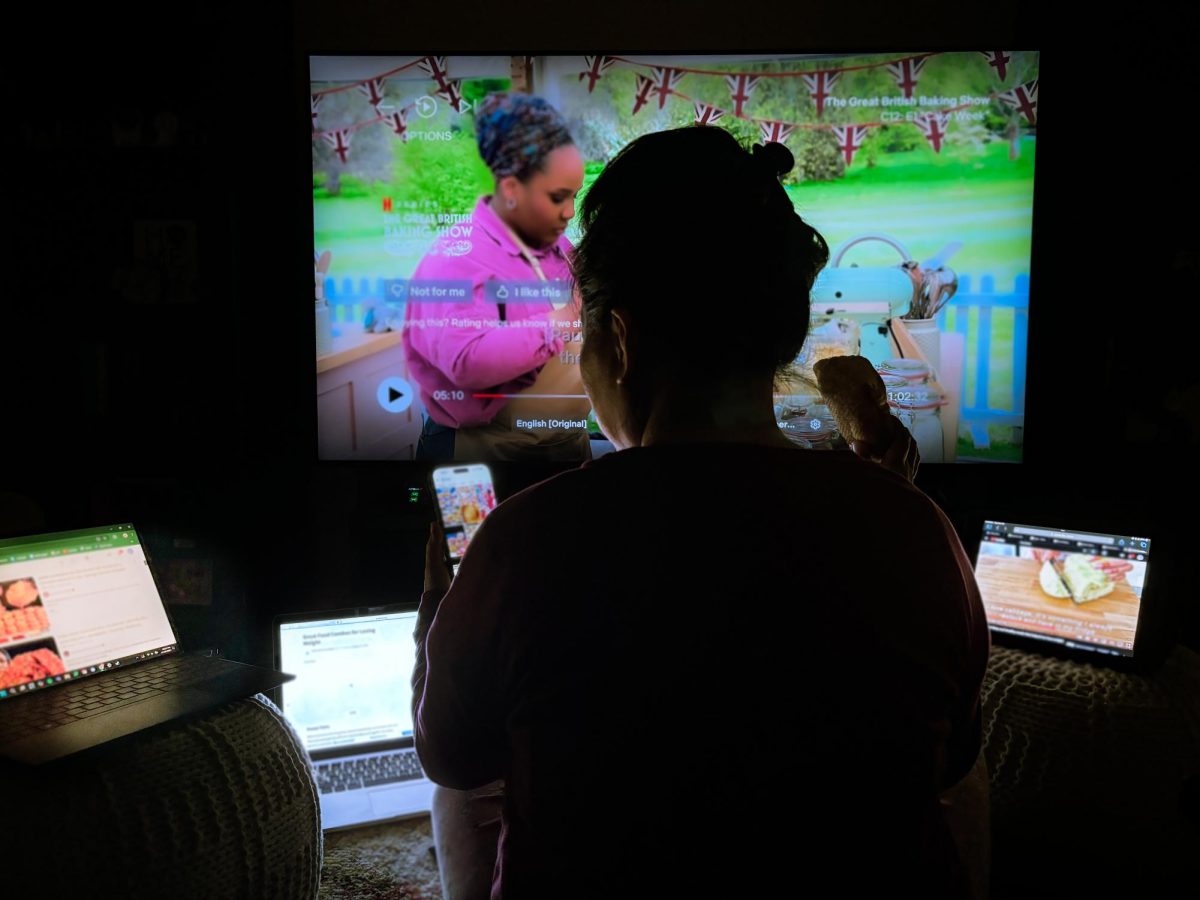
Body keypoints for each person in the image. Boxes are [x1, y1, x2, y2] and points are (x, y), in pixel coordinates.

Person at [411, 125, 990, 898]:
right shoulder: (914, 528)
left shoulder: (524, 543)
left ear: (617, 340)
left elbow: (453, 758)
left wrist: (436, 614)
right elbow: (949, 759)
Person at [403, 92, 590, 462]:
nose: (569, 210)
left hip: (562, 448)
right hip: (481, 454)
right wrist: (566, 317)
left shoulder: (559, 247)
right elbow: (468, 363)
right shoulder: (457, 256)